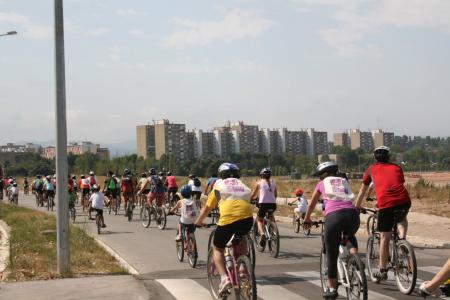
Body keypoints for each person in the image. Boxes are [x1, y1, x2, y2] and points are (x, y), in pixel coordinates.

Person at [195, 163, 253, 296]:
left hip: (227, 219)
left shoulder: (218, 185)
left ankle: (224, 278)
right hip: (247, 219)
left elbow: (207, 208)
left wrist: (198, 222)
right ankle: (243, 267)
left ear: (221, 175)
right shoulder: (242, 184)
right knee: (241, 235)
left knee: (218, 248)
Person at [355, 146, 411, 282]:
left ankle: (382, 269)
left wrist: (356, 206)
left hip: (385, 204)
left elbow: (363, 190)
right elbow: (396, 184)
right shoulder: (397, 167)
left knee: (384, 236)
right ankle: (402, 241)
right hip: (404, 201)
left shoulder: (371, 169)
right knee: (402, 220)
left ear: (375, 158)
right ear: (389, 157)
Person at [304, 162, 359, 300]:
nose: (319, 179)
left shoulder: (322, 184)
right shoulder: (343, 181)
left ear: (324, 174)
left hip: (334, 217)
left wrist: (307, 218)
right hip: (353, 215)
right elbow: (349, 197)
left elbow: (312, 203)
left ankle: (333, 288)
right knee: (349, 236)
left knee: (331, 253)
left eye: (319, 176)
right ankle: (355, 260)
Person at [251, 167, 278, 247]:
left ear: (261, 175)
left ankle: (262, 233)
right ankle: (272, 229)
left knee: (260, 220)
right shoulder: (273, 183)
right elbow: (275, 195)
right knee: (270, 215)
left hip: (263, 204)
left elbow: (253, 195)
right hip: (273, 204)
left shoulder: (259, 183)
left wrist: (249, 200)